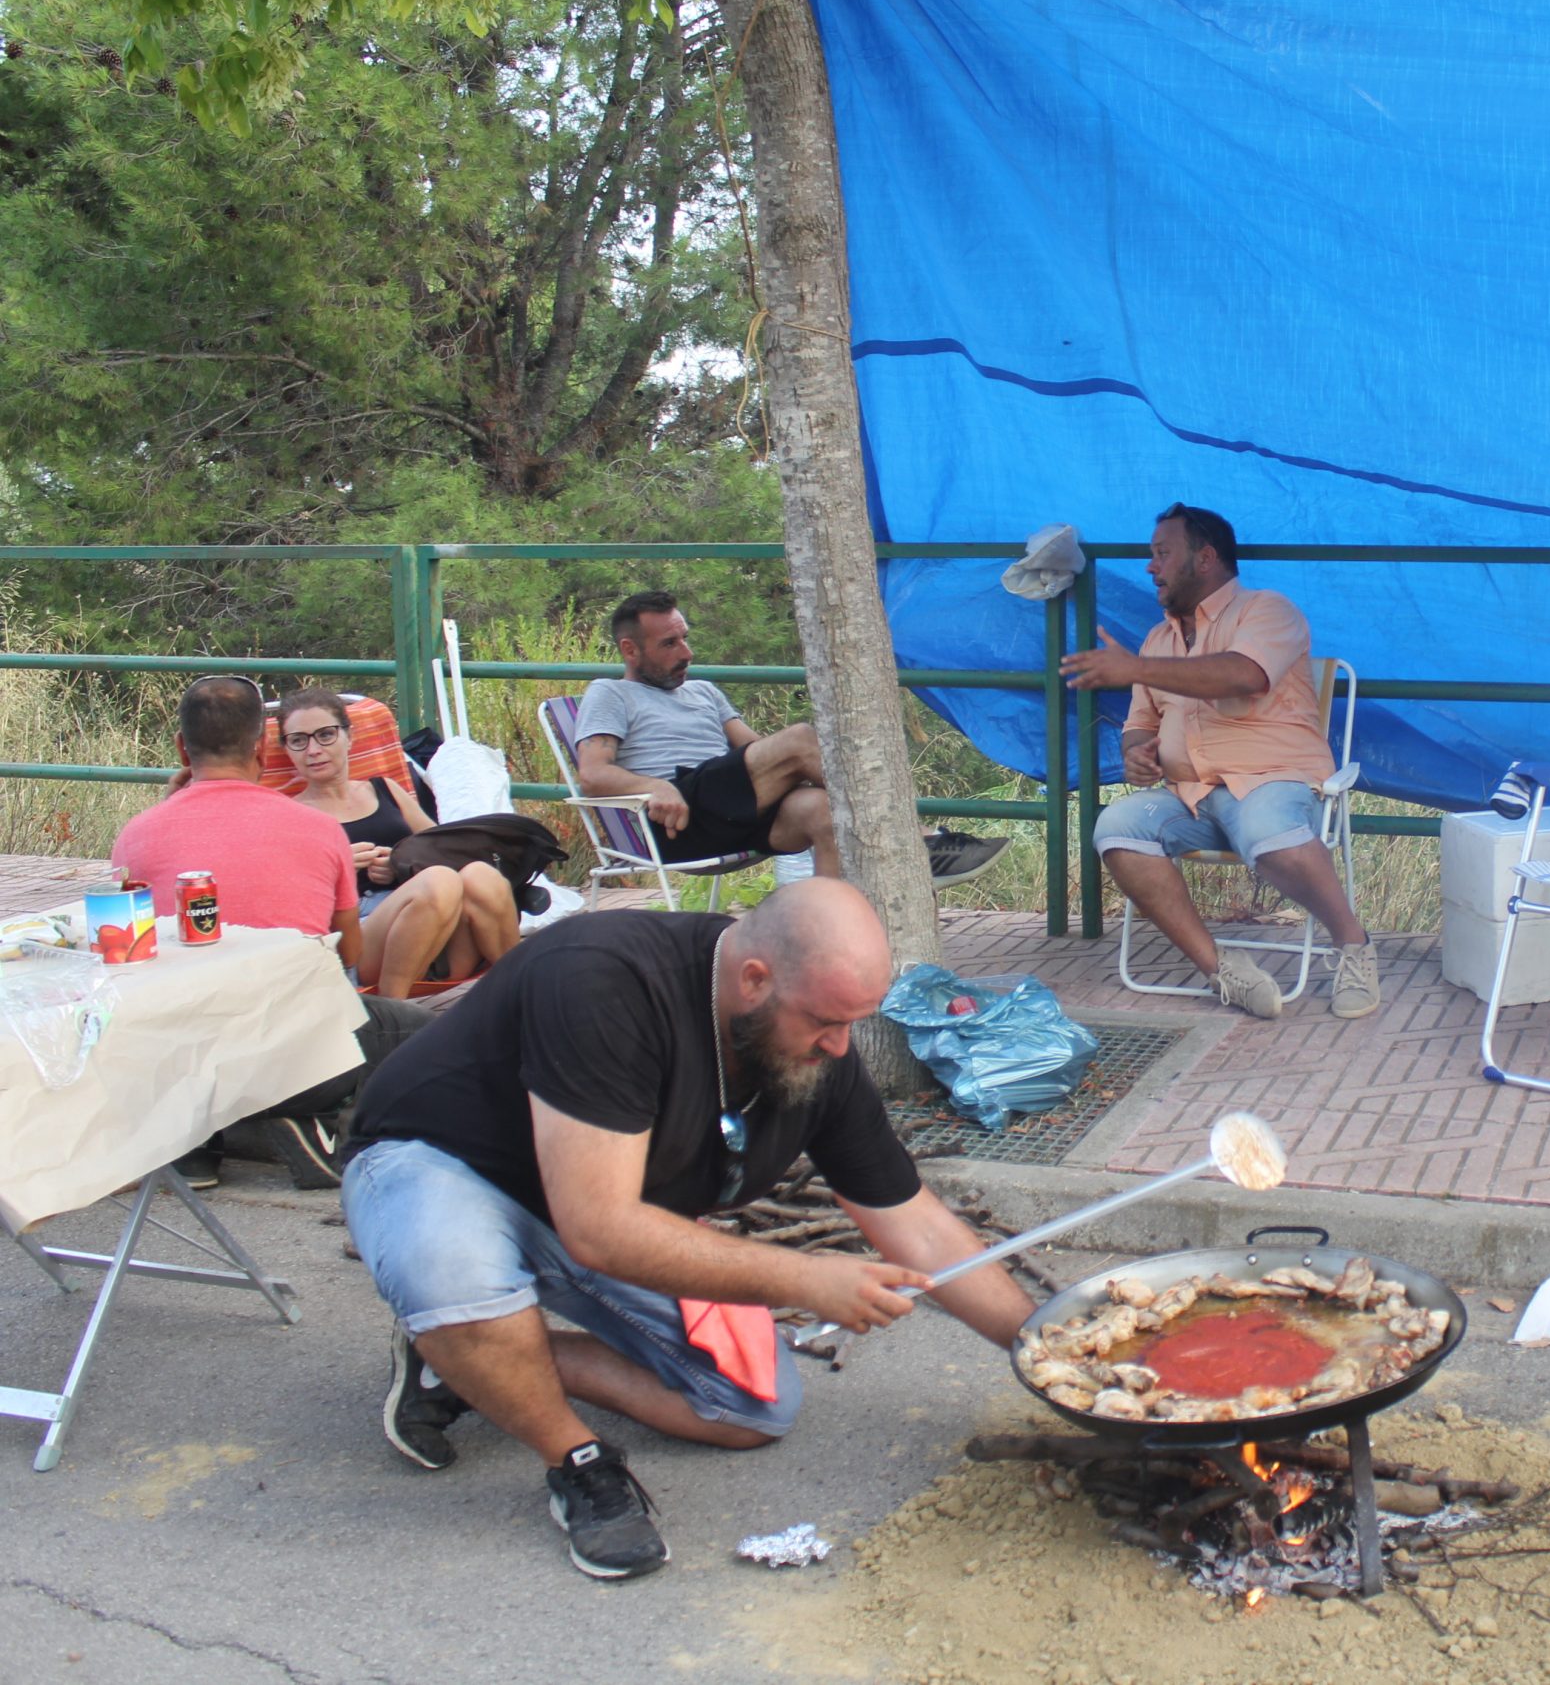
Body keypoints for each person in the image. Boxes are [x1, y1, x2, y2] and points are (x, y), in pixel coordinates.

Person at [338, 879, 1036, 1581]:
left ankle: (457, 1360)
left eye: (854, 1022)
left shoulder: (820, 1051)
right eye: (825, 1021)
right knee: (450, 1267)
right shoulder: (603, 981)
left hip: (592, 1208)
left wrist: (1044, 1345)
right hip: (439, 1167)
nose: (838, 1046)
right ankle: (576, 1458)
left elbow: (918, 1224)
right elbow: (601, 1229)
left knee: (752, 1407)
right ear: (754, 979)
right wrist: (806, 1279)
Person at [1063, 503, 1378, 1021]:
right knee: (1116, 828)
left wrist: (1135, 667)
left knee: (1265, 828)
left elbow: (1243, 675)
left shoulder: (1267, 610)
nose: (1151, 567)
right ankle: (1222, 969)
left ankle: (1353, 945)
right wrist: (1137, 753)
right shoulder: (1160, 640)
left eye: (1163, 554)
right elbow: (1140, 722)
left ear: (1205, 558)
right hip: (1190, 797)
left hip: (1270, 782)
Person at [110, 675, 419, 1190]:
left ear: (182, 748)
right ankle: (322, 1118)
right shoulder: (319, 829)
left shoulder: (135, 836)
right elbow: (350, 953)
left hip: (180, 1053)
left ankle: (196, 1142)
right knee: (425, 1032)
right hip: (293, 1047)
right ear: (260, 747)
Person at [571, 591, 1007, 890]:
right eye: (669, 643)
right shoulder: (610, 694)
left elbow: (755, 750)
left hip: (729, 814)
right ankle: (920, 842)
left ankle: (828, 943)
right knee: (800, 739)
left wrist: (807, 777)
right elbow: (592, 774)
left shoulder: (703, 691)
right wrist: (655, 787)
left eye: (684, 638)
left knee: (823, 810)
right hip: (677, 818)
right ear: (630, 650)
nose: (686, 653)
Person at [273, 688, 521, 999]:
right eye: (298, 740)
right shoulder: (288, 814)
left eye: (325, 735)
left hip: (435, 929)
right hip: (357, 939)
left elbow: (442, 848)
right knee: (438, 880)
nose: (313, 750)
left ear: (349, 737)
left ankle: (521, 991)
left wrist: (399, 863)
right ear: (287, 749)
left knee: (480, 875)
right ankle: (394, 1012)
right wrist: (336, 868)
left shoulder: (385, 789)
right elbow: (282, 900)